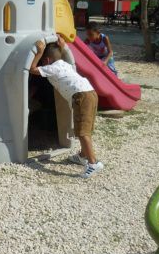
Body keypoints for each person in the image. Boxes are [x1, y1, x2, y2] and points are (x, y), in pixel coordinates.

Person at [29, 37, 104, 178]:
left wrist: (38, 52)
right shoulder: (64, 64)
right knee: (85, 128)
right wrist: (62, 48)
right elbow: (58, 56)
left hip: (81, 96)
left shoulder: (51, 68)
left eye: (43, 60)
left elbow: (32, 69)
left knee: (82, 132)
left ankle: (93, 163)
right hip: (90, 92)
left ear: (47, 61)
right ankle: (82, 156)